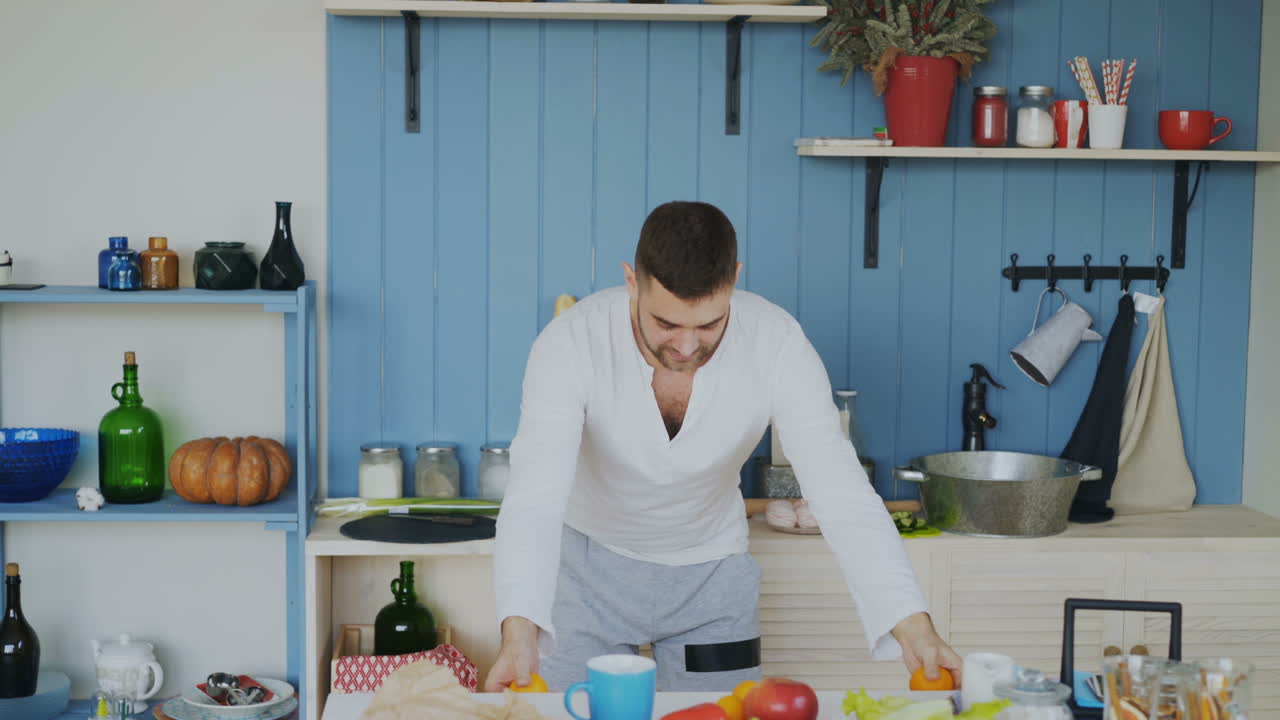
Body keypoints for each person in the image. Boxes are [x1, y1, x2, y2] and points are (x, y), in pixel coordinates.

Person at [484, 200, 962, 693]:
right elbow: (535, 495)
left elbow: (841, 490)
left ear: (734, 279)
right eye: (666, 324)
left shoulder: (777, 343)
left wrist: (912, 621)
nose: (687, 347)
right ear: (632, 281)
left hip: (712, 580)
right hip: (585, 577)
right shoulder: (570, 342)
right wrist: (519, 628)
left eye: (709, 324)